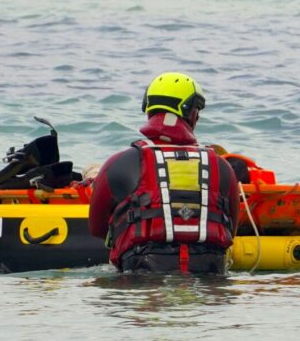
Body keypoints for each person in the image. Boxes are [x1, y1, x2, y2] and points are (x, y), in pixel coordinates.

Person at [88, 73, 241, 274]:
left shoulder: (118, 164)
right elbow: (232, 229)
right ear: (192, 113)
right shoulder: (222, 168)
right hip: (210, 282)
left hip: (141, 282)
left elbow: (97, 229)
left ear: (148, 109)